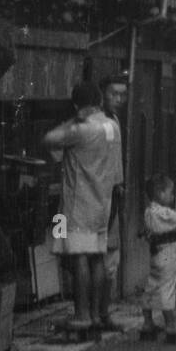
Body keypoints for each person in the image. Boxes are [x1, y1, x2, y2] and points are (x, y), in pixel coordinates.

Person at [42, 80, 124, 333]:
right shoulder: (112, 126)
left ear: (77, 104)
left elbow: (48, 139)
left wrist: (73, 119)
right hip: (103, 203)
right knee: (97, 257)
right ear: (99, 100)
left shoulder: (81, 129)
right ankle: (98, 314)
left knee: (78, 257)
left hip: (79, 203)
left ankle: (82, 314)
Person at [138, 174, 176, 343]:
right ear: (160, 193)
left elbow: (172, 216)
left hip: (156, 253)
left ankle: (147, 324)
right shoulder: (162, 212)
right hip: (168, 252)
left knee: (152, 286)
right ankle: (171, 326)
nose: (172, 196)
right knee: (168, 289)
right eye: (170, 193)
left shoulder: (150, 211)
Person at [100, 73, 129, 292]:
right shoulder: (100, 122)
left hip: (114, 194)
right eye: (113, 94)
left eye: (122, 95)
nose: (118, 99)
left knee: (111, 256)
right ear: (103, 95)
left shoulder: (115, 120)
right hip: (100, 195)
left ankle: (103, 312)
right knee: (100, 255)